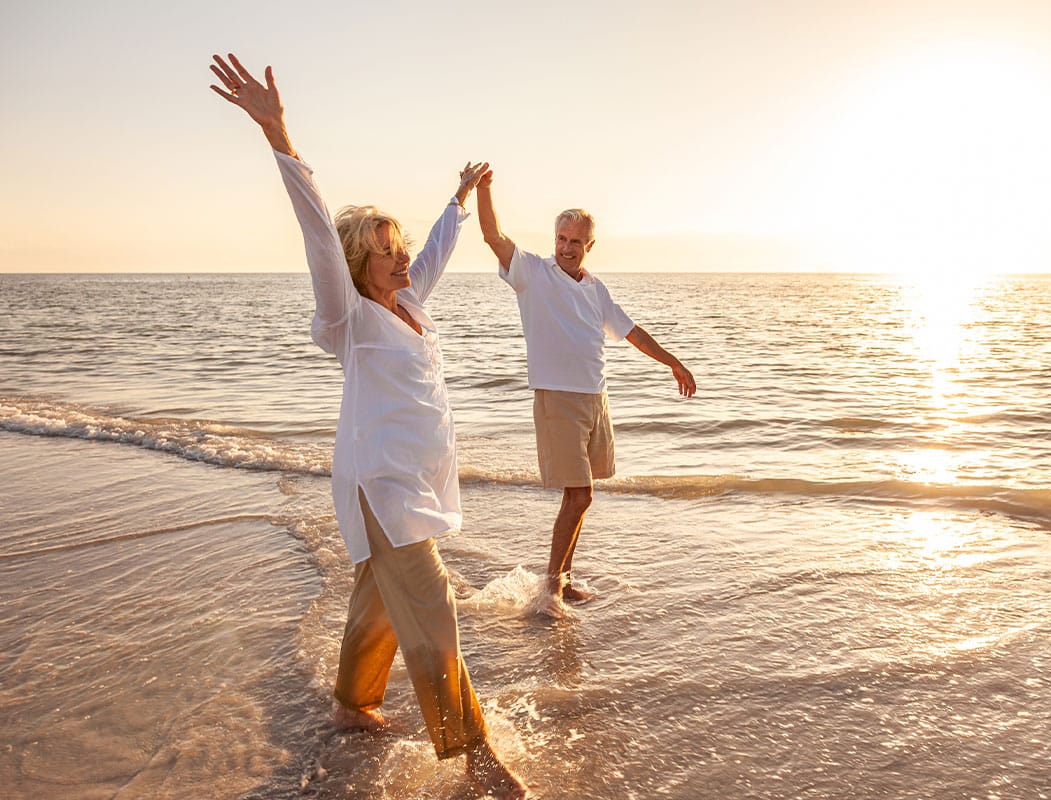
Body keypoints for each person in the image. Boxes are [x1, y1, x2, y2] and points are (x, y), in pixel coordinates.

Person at [208, 54, 526, 799]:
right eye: (384, 252)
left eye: (400, 245)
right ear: (356, 265)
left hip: (410, 480)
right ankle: (473, 754)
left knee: (379, 605)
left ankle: (353, 703)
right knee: (431, 601)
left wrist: (457, 200)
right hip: (380, 485)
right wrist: (279, 135)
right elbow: (320, 235)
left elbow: (440, 251)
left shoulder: (409, 306)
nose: (401, 257)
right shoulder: (346, 319)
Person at [475, 168, 697, 607]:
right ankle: (553, 590)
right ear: (553, 238)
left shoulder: (595, 289)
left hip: (596, 398)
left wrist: (673, 362)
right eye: (561, 238)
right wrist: (484, 189)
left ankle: (561, 580)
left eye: (575, 241)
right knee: (579, 494)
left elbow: (632, 332)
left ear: (589, 246)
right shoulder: (533, 274)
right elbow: (492, 235)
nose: (566, 248)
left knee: (583, 496)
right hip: (557, 397)